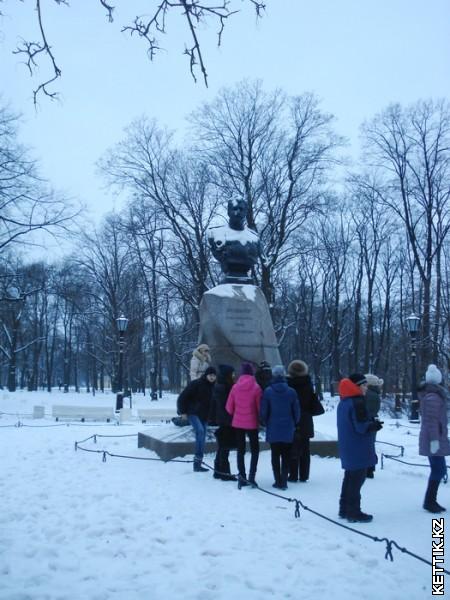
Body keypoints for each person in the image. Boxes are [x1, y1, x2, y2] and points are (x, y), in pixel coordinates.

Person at [337, 373, 383, 523]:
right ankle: (353, 512)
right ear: (357, 386)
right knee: (357, 480)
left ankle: (344, 508)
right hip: (359, 447)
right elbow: (361, 427)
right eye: (363, 385)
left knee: (349, 478)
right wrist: (374, 425)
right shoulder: (358, 403)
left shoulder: (344, 401)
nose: (366, 388)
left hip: (348, 446)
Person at [260, 365, 300, 490]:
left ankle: (277, 480)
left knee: (275, 455)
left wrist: (266, 422)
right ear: (284, 375)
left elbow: (264, 411)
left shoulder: (268, 391)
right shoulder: (291, 392)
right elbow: (296, 411)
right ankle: (284, 480)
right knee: (286, 455)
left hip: (273, 427)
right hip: (288, 428)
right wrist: (294, 423)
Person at [418, 364, 450, 513]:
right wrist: (435, 441)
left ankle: (430, 500)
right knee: (439, 469)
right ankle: (430, 502)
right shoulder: (433, 397)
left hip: (436, 438)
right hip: (434, 441)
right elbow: (432, 421)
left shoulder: (433, 395)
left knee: (439, 469)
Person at [225, 362, 262, 488]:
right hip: (252, 423)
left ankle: (242, 477)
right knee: (255, 450)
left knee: (240, 451)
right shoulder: (256, 388)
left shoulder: (235, 387)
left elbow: (229, 408)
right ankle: (252, 477)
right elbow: (260, 408)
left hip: (238, 423)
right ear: (252, 373)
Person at [177, 366, 217, 472]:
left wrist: (212, 417)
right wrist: (183, 412)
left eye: (214, 376)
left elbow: (213, 404)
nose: (212, 377)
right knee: (199, 431)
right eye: (210, 375)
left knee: (202, 435)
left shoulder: (213, 387)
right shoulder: (196, 384)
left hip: (204, 415)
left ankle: (197, 463)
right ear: (206, 375)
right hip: (192, 412)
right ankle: (197, 462)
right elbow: (183, 397)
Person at [287, 360, 316, 482]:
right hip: (306, 419)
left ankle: (293, 475)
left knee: (292, 447)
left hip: (292, 419)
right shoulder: (308, 384)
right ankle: (304, 475)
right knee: (305, 449)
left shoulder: (288, 384)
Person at [209, 364, 237, 481]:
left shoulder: (219, 385)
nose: (234, 376)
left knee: (222, 446)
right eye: (232, 374)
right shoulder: (226, 387)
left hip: (222, 419)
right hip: (226, 419)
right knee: (225, 446)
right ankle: (225, 473)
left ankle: (218, 471)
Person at [364, 373, 383, 478]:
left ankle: (369, 469)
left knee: (368, 445)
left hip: (369, 422)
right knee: (370, 445)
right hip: (373, 422)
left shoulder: (369, 395)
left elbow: (367, 411)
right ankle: (370, 468)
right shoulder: (374, 394)